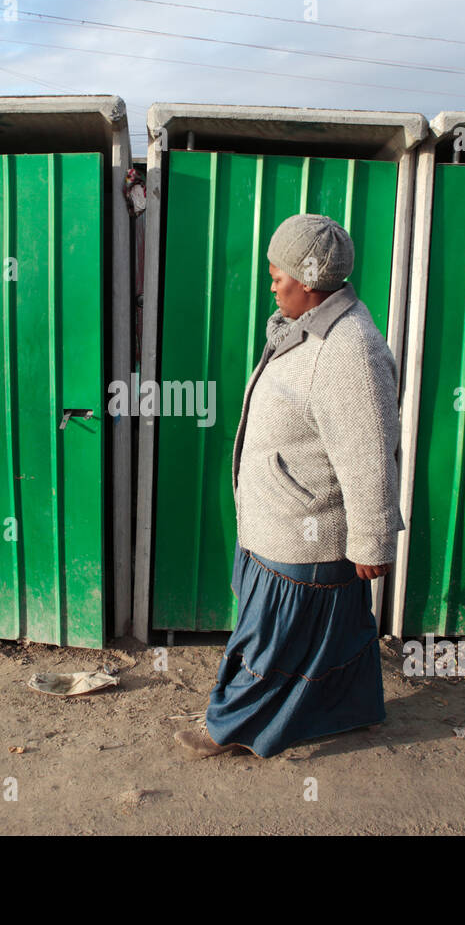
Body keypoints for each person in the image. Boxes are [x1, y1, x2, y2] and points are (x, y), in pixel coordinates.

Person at [174, 213, 405, 759]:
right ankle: (348, 712)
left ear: (308, 282)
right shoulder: (308, 328)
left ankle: (226, 727)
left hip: (306, 538)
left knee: (269, 641)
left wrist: (373, 540)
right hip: (280, 519)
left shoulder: (349, 349)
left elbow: (371, 450)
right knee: (337, 635)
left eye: (278, 276)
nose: (271, 285)